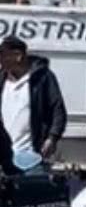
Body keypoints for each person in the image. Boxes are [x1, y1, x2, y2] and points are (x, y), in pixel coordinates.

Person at [0, 36, 66, 172]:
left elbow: (58, 109)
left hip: (31, 156)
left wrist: (52, 138)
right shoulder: (2, 79)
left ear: (17, 55)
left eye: (1, 54)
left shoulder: (42, 78)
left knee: (31, 191)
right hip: (4, 157)